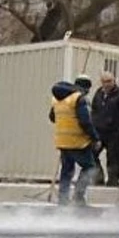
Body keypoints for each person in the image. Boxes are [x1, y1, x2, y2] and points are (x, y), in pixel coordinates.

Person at [48, 76, 101, 206]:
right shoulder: (79, 99)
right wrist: (95, 138)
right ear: (86, 88)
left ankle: (63, 200)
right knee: (90, 167)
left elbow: (52, 117)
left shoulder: (57, 99)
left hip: (63, 141)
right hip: (78, 141)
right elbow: (85, 121)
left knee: (66, 170)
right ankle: (78, 197)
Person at [90, 71, 119, 187]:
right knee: (91, 155)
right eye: (105, 82)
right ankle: (98, 178)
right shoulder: (99, 93)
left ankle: (112, 183)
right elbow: (94, 110)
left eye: (110, 81)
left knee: (113, 159)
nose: (107, 84)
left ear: (114, 81)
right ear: (101, 82)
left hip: (114, 133)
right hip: (99, 132)